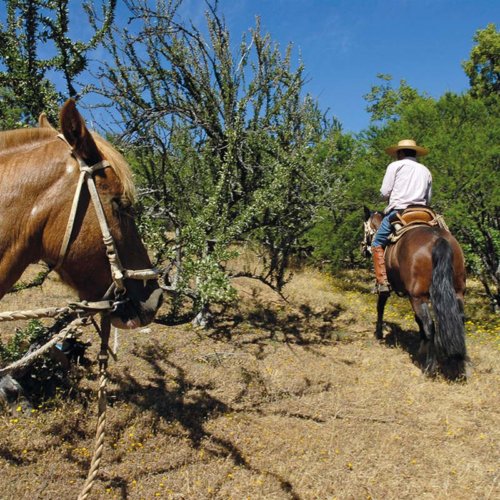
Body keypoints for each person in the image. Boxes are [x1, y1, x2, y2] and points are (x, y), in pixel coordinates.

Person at [371, 139, 432, 293]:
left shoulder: (395, 166)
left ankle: (382, 281)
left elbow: (385, 192)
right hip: (423, 212)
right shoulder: (425, 170)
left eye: (397, 153)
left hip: (400, 212)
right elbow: (428, 198)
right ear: (415, 153)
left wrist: (383, 197)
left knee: (377, 242)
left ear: (401, 152)